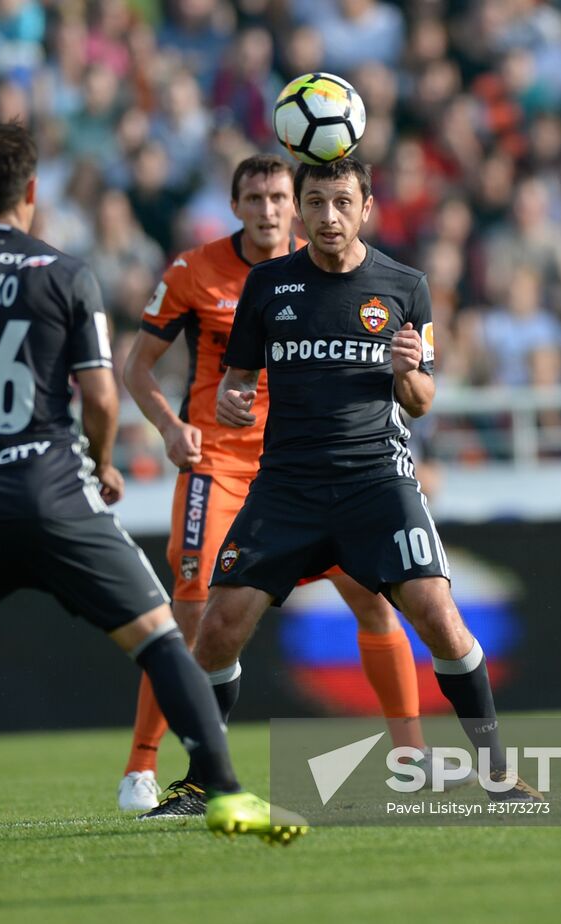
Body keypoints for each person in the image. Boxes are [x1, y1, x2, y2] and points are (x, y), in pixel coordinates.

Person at [0, 122, 305, 872]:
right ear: (33, 193)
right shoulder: (65, 273)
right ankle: (225, 791)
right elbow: (101, 393)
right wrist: (102, 461)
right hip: (51, 491)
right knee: (163, 634)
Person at [186, 156, 543, 806]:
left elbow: (423, 401)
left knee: (439, 617)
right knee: (218, 628)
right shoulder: (267, 285)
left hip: (376, 482)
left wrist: (408, 373)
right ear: (300, 209)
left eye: (342, 202)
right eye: (316, 203)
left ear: (367, 208)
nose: (329, 217)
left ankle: (498, 772)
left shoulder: (404, 285)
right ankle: (200, 779)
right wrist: (232, 402)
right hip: (288, 486)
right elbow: (236, 383)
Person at [120, 154, 433, 818]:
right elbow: (137, 366)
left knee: (373, 602)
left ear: (296, 205)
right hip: (217, 462)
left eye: (278, 198)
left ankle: (411, 755)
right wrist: (171, 427)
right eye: (254, 198)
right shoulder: (193, 270)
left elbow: (390, 375)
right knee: (194, 612)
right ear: (234, 205)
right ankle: (145, 767)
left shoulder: (326, 268)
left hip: (306, 467)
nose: (267, 210)